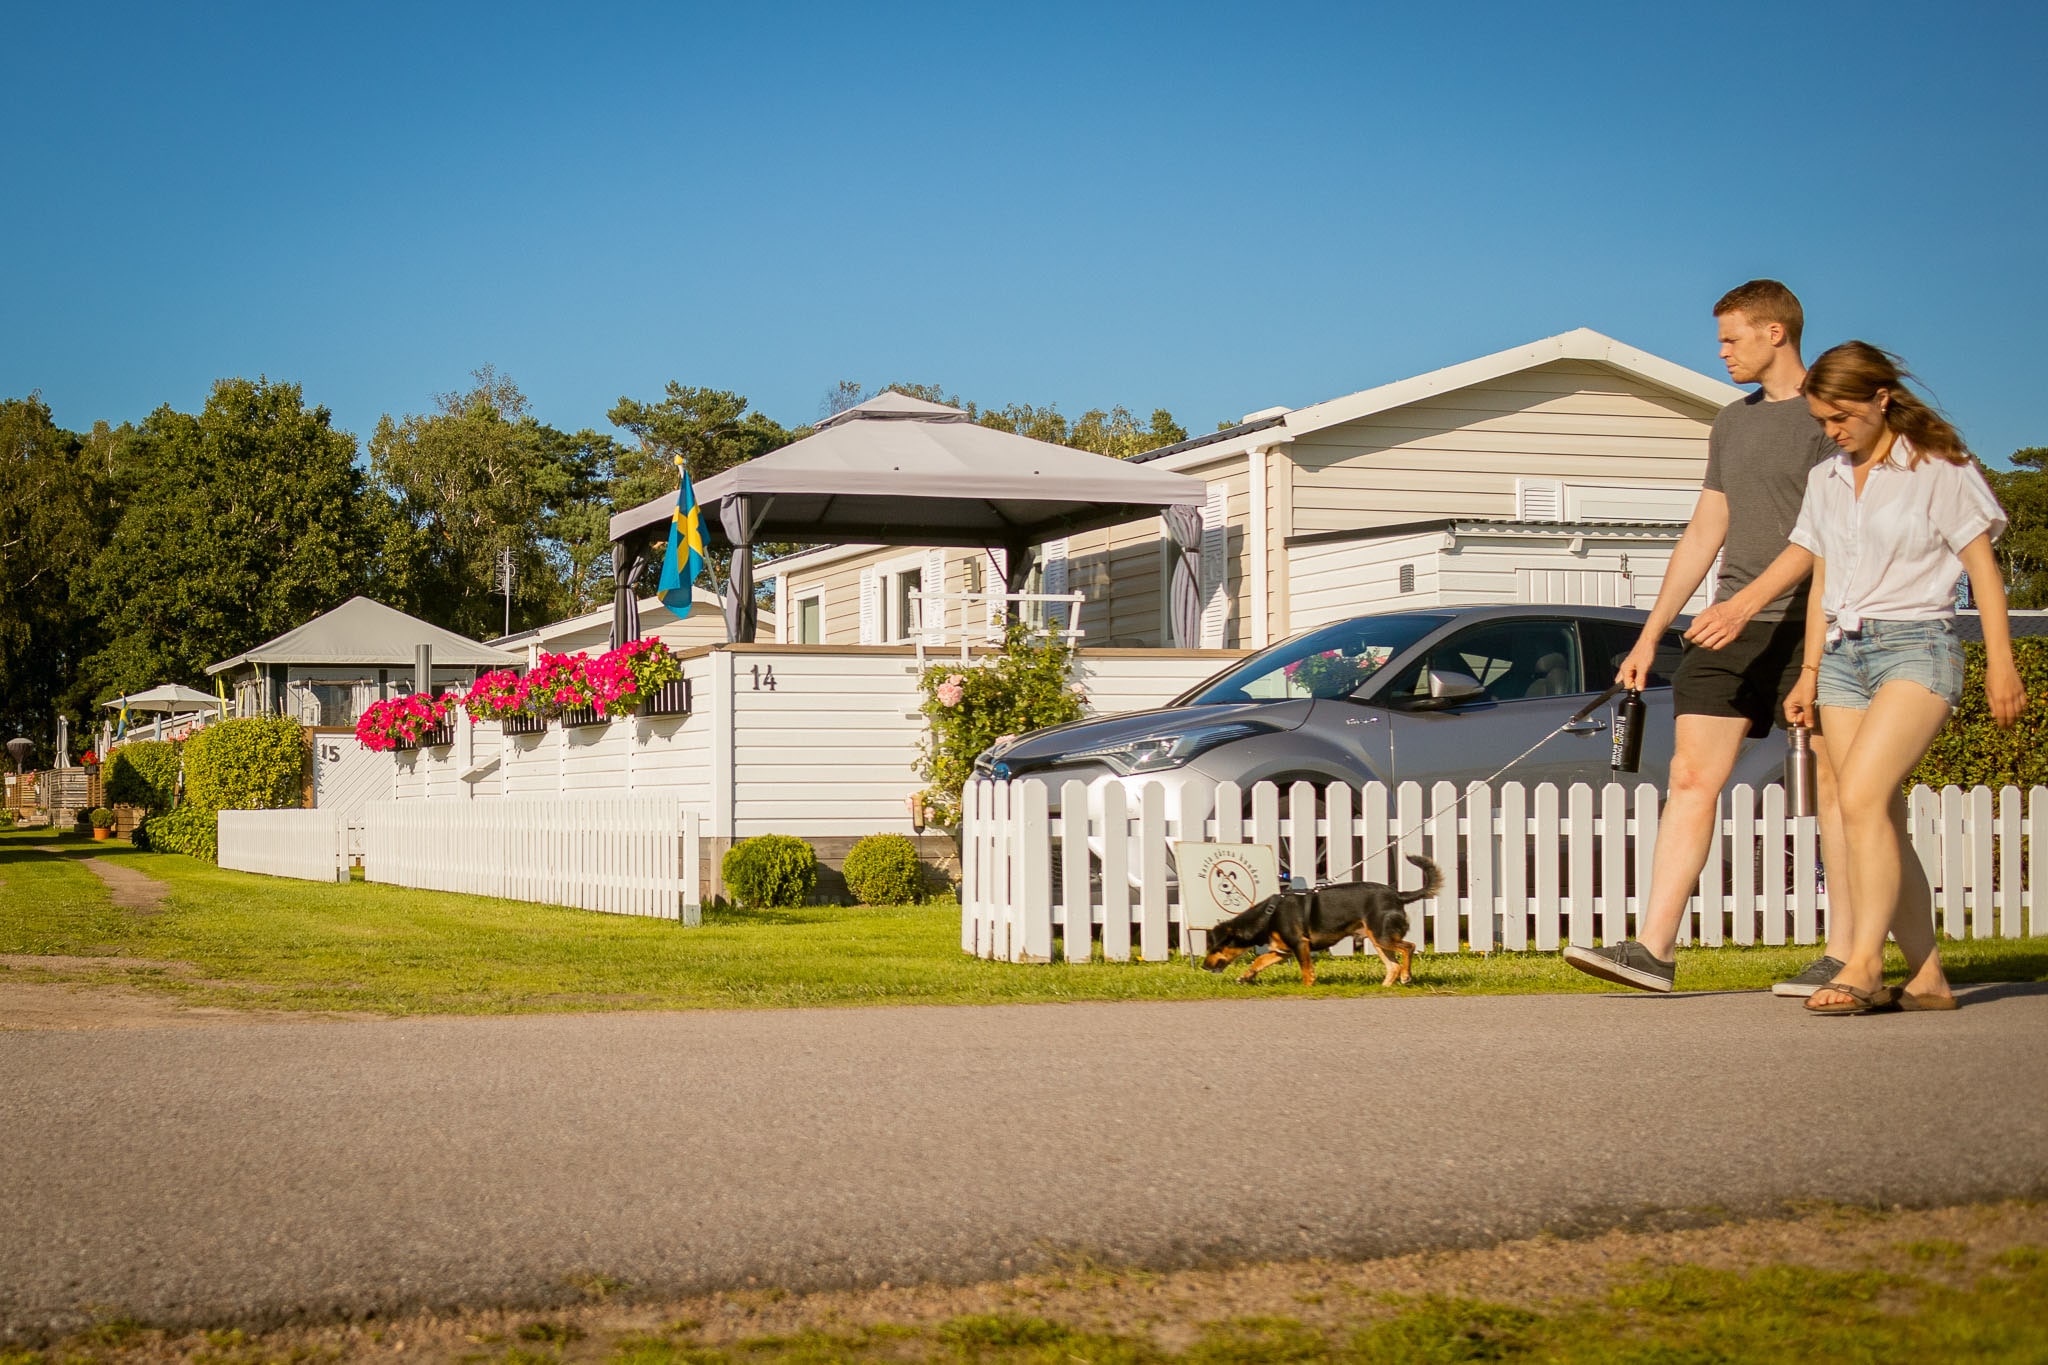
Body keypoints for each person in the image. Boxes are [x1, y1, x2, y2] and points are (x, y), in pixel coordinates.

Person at [1563, 281, 1850, 993]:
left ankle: (1847, 952)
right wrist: (1651, 633)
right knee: (1690, 776)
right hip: (1728, 629)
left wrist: (1749, 602)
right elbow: (1705, 529)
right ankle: (1653, 950)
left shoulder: (1829, 416)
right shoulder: (1731, 423)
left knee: (1839, 791)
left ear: (1775, 332)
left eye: (1731, 337)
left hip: (1813, 625)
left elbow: (1827, 535)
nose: (1721, 351)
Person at [1782, 343, 2022, 1014]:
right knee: (1874, 810)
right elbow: (1822, 583)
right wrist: (1807, 671)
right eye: (1823, 420)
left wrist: (2001, 662)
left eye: (1841, 416)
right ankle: (1928, 976)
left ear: (1881, 398)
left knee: (1861, 798)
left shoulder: (1939, 468)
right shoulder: (1826, 479)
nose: (1833, 431)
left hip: (1918, 647)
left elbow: (1983, 570)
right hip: (1841, 654)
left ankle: (1862, 964)